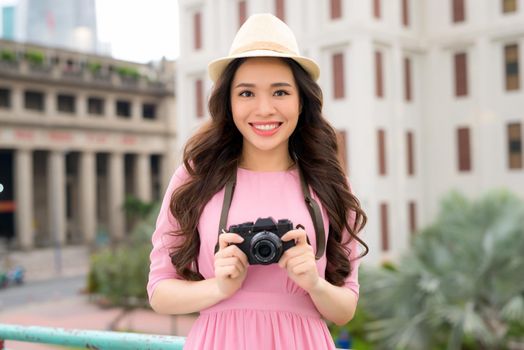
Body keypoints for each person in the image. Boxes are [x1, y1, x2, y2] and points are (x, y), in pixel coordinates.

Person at [147, 13, 368, 349]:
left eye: (280, 92)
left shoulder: (328, 182)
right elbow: (160, 292)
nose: (264, 109)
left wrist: (313, 283)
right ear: (229, 102)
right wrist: (219, 288)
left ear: (300, 100)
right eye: (247, 94)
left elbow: (345, 309)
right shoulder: (195, 178)